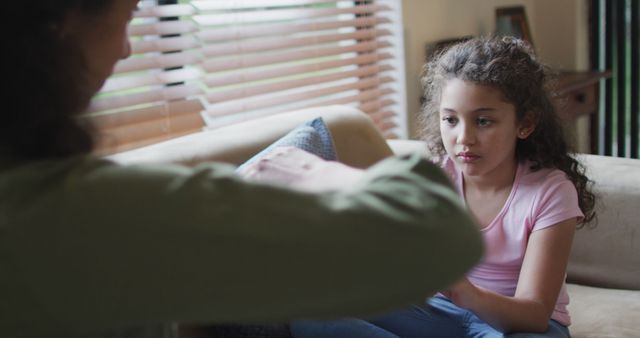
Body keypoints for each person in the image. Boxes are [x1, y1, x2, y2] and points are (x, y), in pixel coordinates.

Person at [0, 1, 484, 338]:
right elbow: (437, 234)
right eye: (128, 16)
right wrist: (322, 175)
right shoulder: (79, 215)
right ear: (60, 26)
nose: (128, 49)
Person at [290, 36, 596, 338]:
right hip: (443, 314)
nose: (464, 138)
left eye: (484, 121)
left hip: (519, 326)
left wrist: (463, 291)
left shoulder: (551, 192)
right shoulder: (436, 177)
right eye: (450, 120)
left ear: (525, 124)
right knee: (313, 320)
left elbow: (535, 314)